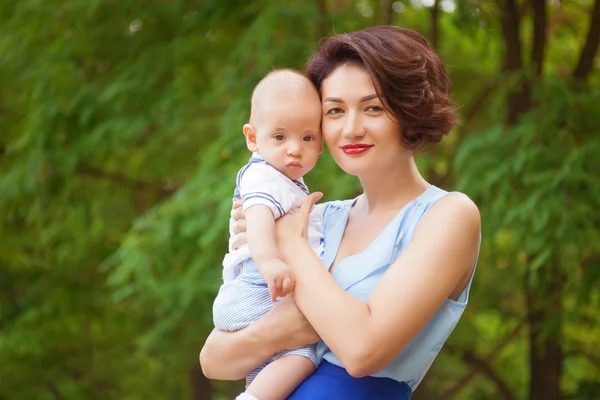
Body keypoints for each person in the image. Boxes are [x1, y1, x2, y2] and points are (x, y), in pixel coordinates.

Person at [201, 26, 481, 400]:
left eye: (373, 107)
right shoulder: (318, 217)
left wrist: (286, 240)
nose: (351, 129)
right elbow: (215, 360)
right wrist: (286, 330)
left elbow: (362, 350)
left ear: (409, 111)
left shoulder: (447, 215)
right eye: (334, 110)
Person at [212, 69, 325, 400]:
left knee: (274, 365)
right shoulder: (262, 176)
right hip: (258, 287)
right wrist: (270, 261)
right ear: (252, 137)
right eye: (279, 137)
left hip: (261, 290)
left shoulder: (283, 179)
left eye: (308, 138)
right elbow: (258, 221)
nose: (295, 149)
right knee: (304, 355)